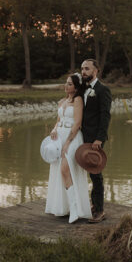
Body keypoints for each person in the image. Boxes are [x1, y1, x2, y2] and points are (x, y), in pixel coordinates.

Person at [44, 73, 93, 223]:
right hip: (59, 136)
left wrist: (67, 143)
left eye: (70, 84)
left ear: (76, 87)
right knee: (59, 170)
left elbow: (77, 123)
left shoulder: (78, 100)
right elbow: (58, 121)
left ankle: (75, 208)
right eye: (66, 83)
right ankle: (63, 206)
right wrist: (54, 129)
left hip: (72, 137)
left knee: (65, 169)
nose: (66, 86)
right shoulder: (62, 101)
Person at [80, 59, 112, 223]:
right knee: (84, 172)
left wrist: (99, 138)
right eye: (82, 69)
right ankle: (92, 204)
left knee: (95, 172)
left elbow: (105, 116)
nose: (83, 71)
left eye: (87, 68)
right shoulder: (83, 89)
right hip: (81, 137)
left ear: (96, 71)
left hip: (95, 138)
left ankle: (99, 210)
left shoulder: (102, 90)